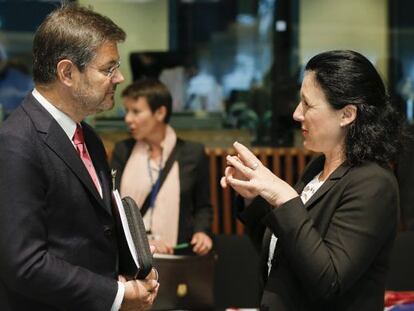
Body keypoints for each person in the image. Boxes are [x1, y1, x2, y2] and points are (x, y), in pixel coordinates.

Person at [0, 5, 158, 311]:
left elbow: (89, 234)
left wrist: (134, 266)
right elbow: (25, 265)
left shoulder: (89, 138)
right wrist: (117, 296)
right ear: (67, 73)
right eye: (108, 68)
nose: (120, 77)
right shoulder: (16, 142)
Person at [221, 50, 403, 310]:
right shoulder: (317, 167)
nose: (296, 114)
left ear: (346, 115)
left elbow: (328, 280)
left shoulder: (373, 183)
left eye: (307, 104)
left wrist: (285, 198)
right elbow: (288, 248)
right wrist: (253, 199)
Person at [111, 79, 213, 255]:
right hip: (133, 255)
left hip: (177, 254)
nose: (128, 119)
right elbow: (115, 208)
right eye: (127, 111)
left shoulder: (192, 153)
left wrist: (202, 232)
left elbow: (203, 206)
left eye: (136, 111)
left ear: (160, 113)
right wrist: (144, 243)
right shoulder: (123, 150)